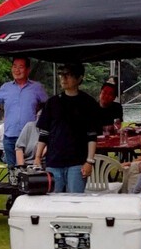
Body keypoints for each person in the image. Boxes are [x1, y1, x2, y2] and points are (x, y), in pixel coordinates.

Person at [32, 63, 99, 193]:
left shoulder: (88, 103)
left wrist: (89, 161)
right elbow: (44, 133)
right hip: (54, 161)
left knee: (75, 199)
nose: (63, 78)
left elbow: (92, 135)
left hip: (77, 162)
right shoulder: (52, 102)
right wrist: (38, 157)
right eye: (61, 75)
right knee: (53, 198)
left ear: (79, 78)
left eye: (68, 75)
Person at [0, 57, 48, 169]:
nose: (17, 70)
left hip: (30, 139)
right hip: (10, 137)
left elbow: (48, 108)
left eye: (21, 67)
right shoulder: (6, 87)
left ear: (28, 70)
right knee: (12, 172)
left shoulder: (36, 87)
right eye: (14, 66)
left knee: (31, 171)